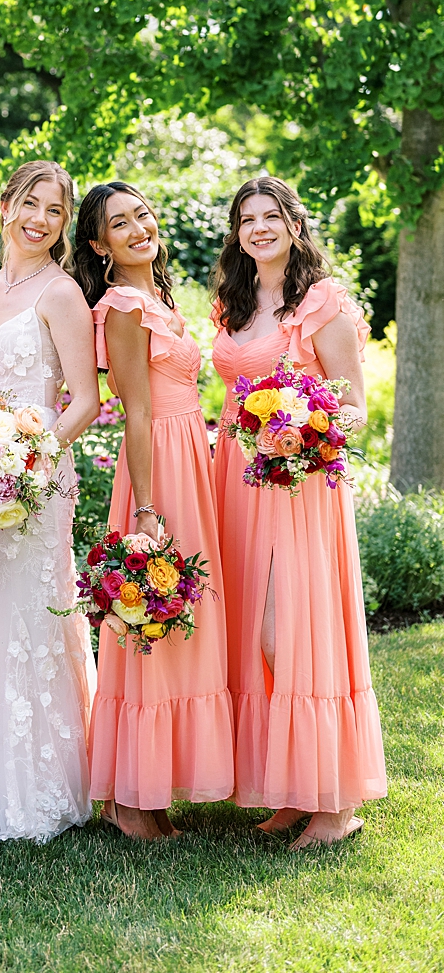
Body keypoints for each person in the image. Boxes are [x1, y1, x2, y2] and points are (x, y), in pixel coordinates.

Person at [210, 177, 384, 847]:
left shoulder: (323, 302)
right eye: (247, 218)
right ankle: (293, 791)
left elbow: (355, 408)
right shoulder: (233, 301)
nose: (259, 227)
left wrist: (303, 429)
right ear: (237, 232)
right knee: (253, 633)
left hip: (296, 484)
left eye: (271, 215)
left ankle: (337, 804)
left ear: (293, 222)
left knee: (289, 633)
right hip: (236, 482)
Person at [0, 160, 100, 843]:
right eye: (29, 203)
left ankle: (38, 790)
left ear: (64, 224)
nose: (38, 219)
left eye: (54, 211)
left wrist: (29, 461)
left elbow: (86, 401)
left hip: (35, 482)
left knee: (28, 618)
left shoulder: (61, 294)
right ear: (5, 204)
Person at [76, 181, 233, 840]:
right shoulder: (122, 308)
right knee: (155, 617)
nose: (139, 227)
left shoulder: (158, 299)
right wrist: (146, 509)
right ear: (98, 244)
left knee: (181, 620)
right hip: (157, 471)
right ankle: (135, 801)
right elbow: (135, 413)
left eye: (142, 214)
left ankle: (146, 790)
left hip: (188, 458)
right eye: (120, 222)